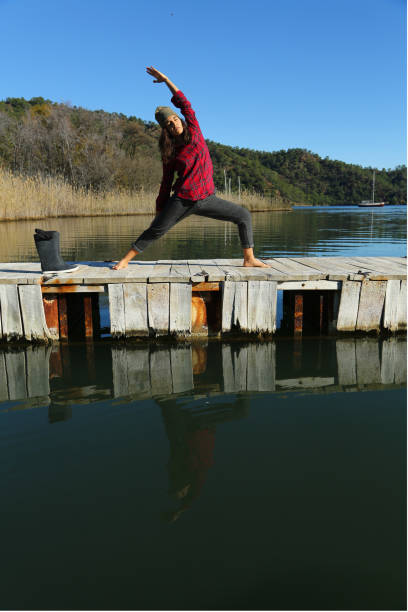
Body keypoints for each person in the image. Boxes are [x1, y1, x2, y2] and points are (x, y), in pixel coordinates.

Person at [113, 66, 270, 270]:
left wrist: (167, 80)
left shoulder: (195, 131)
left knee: (243, 215)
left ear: (180, 119)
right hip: (182, 200)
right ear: (166, 130)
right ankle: (125, 260)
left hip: (207, 197)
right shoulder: (170, 152)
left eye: (175, 119)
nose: (174, 124)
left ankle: (249, 258)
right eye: (169, 124)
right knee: (157, 229)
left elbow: (185, 104)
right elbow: (166, 182)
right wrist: (160, 208)